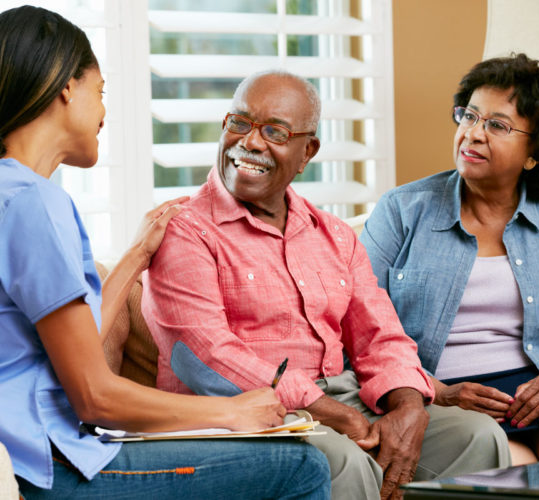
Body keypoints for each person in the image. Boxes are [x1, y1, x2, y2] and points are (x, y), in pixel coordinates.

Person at [0, 6, 331, 499]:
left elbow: (75, 351)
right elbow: (94, 396)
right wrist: (230, 411)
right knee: (300, 466)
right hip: (48, 468)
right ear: (66, 87)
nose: (105, 113)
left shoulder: (12, 193)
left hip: (32, 453)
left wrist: (135, 255)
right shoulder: (34, 203)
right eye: (101, 91)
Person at [142, 69, 511, 500]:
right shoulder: (185, 230)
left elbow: (381, 336)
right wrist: (333, 414)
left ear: (307, 151)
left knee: (476, 437)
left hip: (342, 399)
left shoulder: (333, 234)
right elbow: (205, 358)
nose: (251, 142)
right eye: (239, 123)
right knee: (342, 459)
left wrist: (408, 406)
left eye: (275, 132)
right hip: (246, 416)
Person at [360, 53, 539, 466]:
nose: (472, 134)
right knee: (514, 469)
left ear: (535, 152)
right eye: (469, 116)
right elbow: (358, 333)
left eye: (496, 125)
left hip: (538, 394)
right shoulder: (402, 211)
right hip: (440, 393)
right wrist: (435, 390)